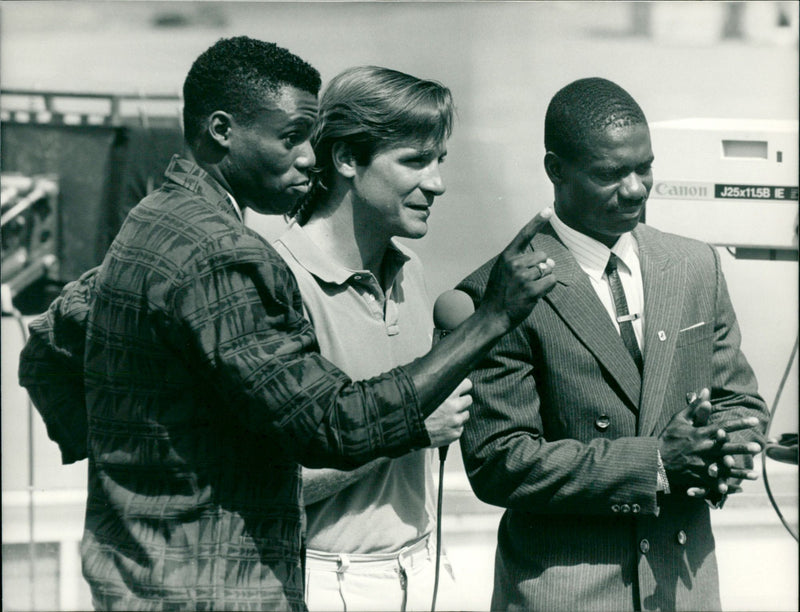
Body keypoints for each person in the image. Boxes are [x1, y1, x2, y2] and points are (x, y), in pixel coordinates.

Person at [17, 37, 557, 611]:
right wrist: (493, 318)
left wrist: (140, 464)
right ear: (222, 131)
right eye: (292, 137)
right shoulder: (223, 253)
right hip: (214, 592)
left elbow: (46, 348)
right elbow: (334, 426)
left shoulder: (155, 220)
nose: (309, 156)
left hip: (142, 577)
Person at [455, 77, 769, 612]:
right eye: (610, 174)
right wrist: (655, 463)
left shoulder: (696, 265)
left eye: (643, 167)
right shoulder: (503, 291)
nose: (635, 189)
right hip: (565, 594)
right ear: (556, 170)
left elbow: (739, 400)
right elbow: (498, 461)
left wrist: (728, 450)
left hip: (682, 588)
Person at [269, 66, 464, 611]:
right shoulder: (282, 283)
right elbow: (270, 484)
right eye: (415, 161)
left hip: (425, 566)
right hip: (325, 580)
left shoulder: (412, 271)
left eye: (439, 160)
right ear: (348, 160)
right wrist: (408, 429)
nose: (437, 182)